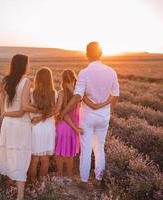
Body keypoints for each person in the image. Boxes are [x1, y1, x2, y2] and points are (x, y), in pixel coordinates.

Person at [59, 42, 119, 188]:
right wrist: (106, 109)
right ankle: (99, 179)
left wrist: (64, 111)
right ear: (101, 53)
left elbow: (77, 96)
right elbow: (115, 95)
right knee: (99, 146)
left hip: (87, 116)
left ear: (86, 54)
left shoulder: (84, 72)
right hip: (103, 116)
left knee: (85, 149)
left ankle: (84, 180)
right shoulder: (111, 71)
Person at [54, 69, 111, 183]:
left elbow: (61, 113)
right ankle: (69, 177)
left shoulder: (61, 93)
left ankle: (60, 176)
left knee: (59, 153)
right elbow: (94, 106)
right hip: (74, 127)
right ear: (74, 79)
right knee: (69, 154)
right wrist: (107, 102)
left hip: (64, 126)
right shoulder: (80, 94)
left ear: (63, 80)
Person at [0, 54, 36, 200]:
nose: (29, 66)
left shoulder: (4, 81)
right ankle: (19, 196)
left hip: (7, 124)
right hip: (21, 126)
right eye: (28, 63)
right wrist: (41, 109)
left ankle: (7, 188)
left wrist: (7, 114)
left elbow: (3, 111)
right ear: (23, 65)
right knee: (21, 156)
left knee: (8, 153)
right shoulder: (26, 81)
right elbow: (23, 109)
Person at [27, 67, 57, 184]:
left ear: (37, 78)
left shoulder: (32, 93)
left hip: (35, 127)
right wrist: (43, 116)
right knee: (45, 159)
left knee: (34, 159)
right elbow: (55, 111)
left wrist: (38, 117)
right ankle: (42, 185)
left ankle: (33, 184)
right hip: (48, 127)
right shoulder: (54, 94)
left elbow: (26, 108)